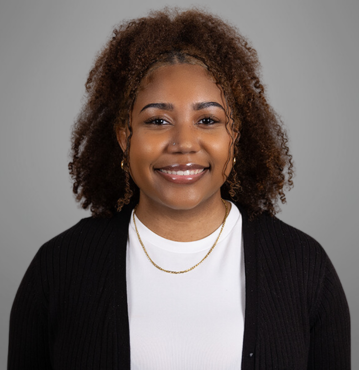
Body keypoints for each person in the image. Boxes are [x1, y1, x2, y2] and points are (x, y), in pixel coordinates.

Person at [8, 8, 350, 370]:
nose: (184, 143)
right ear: (125, 138)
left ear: (234, 137)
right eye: (158, 120)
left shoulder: (304, 267)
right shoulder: (59, 267)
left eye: (207, 120)